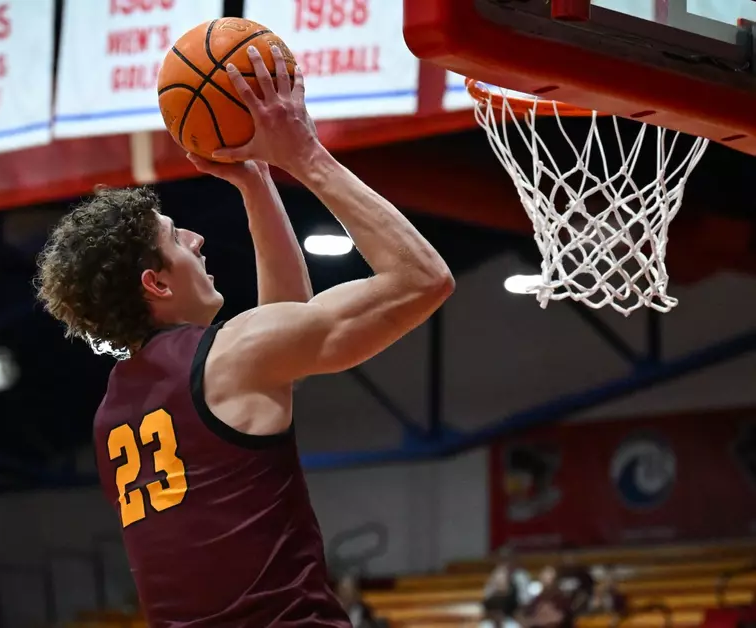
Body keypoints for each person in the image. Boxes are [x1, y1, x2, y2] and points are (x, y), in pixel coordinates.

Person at [36, 45, 454, 627]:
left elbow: (284, 334)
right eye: (177, 239)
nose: (198, 240)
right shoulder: (230, 359)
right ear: (154, 283)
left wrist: (257, 183)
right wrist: (304, 155)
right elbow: (422, 279)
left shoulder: (115, 409)